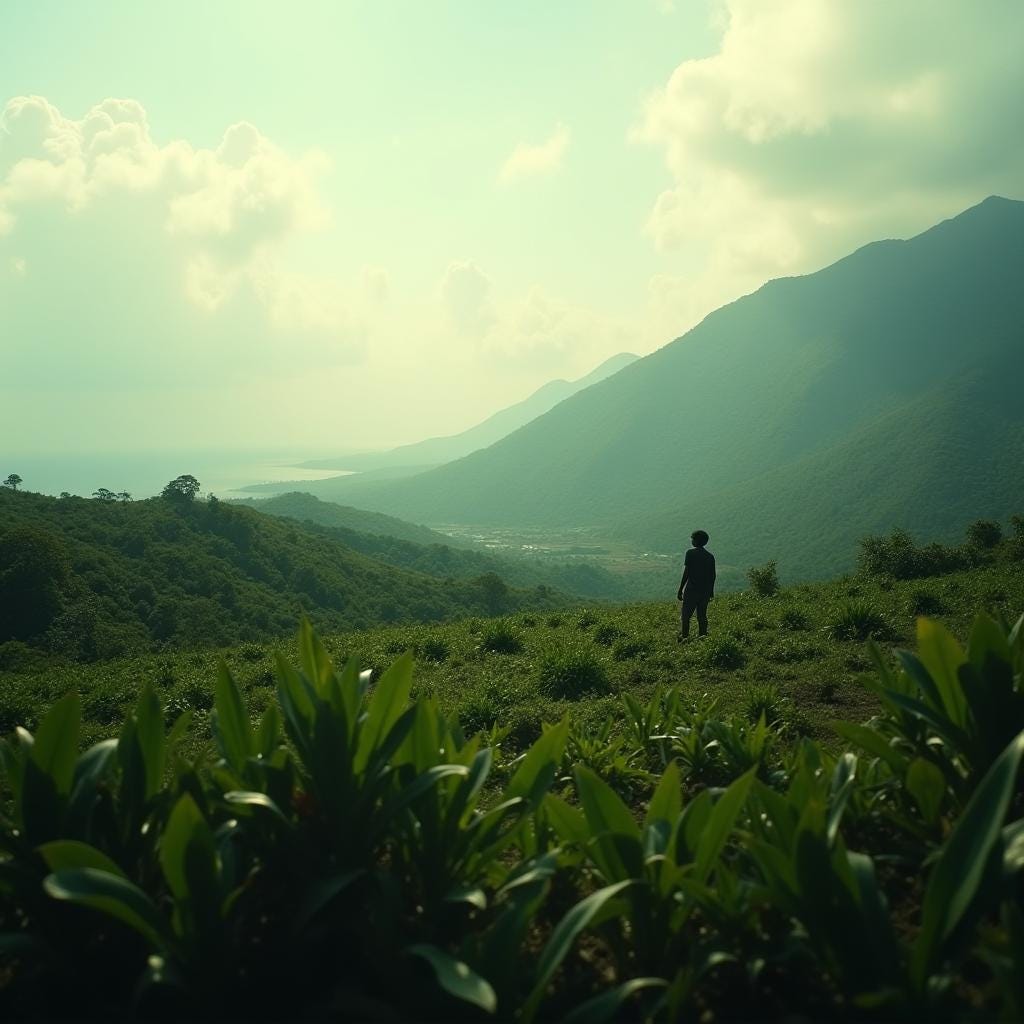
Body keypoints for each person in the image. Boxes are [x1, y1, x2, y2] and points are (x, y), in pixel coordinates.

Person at [676, 529, 715, 640]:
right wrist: (711, 591)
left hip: (692, 589)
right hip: (705, 591)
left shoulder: (690, 553)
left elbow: (686, 572)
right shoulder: (710, 556)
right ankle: (702, 636)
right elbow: (713, 576)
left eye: (692, 538)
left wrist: (680, 589)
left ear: (695, 540)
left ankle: (685, 637)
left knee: (686, 615)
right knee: (702, 615)